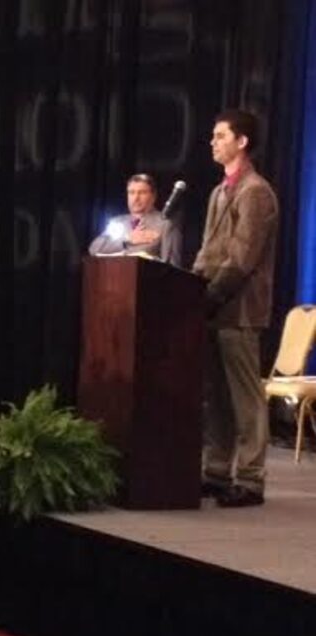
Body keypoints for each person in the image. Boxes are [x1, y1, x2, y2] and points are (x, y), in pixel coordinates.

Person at [192, 109, 278, 508]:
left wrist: (208, 295)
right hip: (212, 306)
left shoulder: (255, 191)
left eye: (220, 135)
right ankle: (216, 469)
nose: (213, 142)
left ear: (242, 141)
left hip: (239, 309)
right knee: (217, 396)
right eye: (213, 135)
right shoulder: (218, 191)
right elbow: (209, 251)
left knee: (244, 396)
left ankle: (249, 477)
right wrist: (189, 288)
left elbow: (242, 259)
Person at [89, 173, 182, 266]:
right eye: (131, 192)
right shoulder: (118, 222)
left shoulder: (165, 224)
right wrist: (127, 239)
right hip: (114, 277)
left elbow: (172, 267)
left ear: (153, 196)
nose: (136, 198)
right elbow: (94, 249)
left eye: (142, 192)